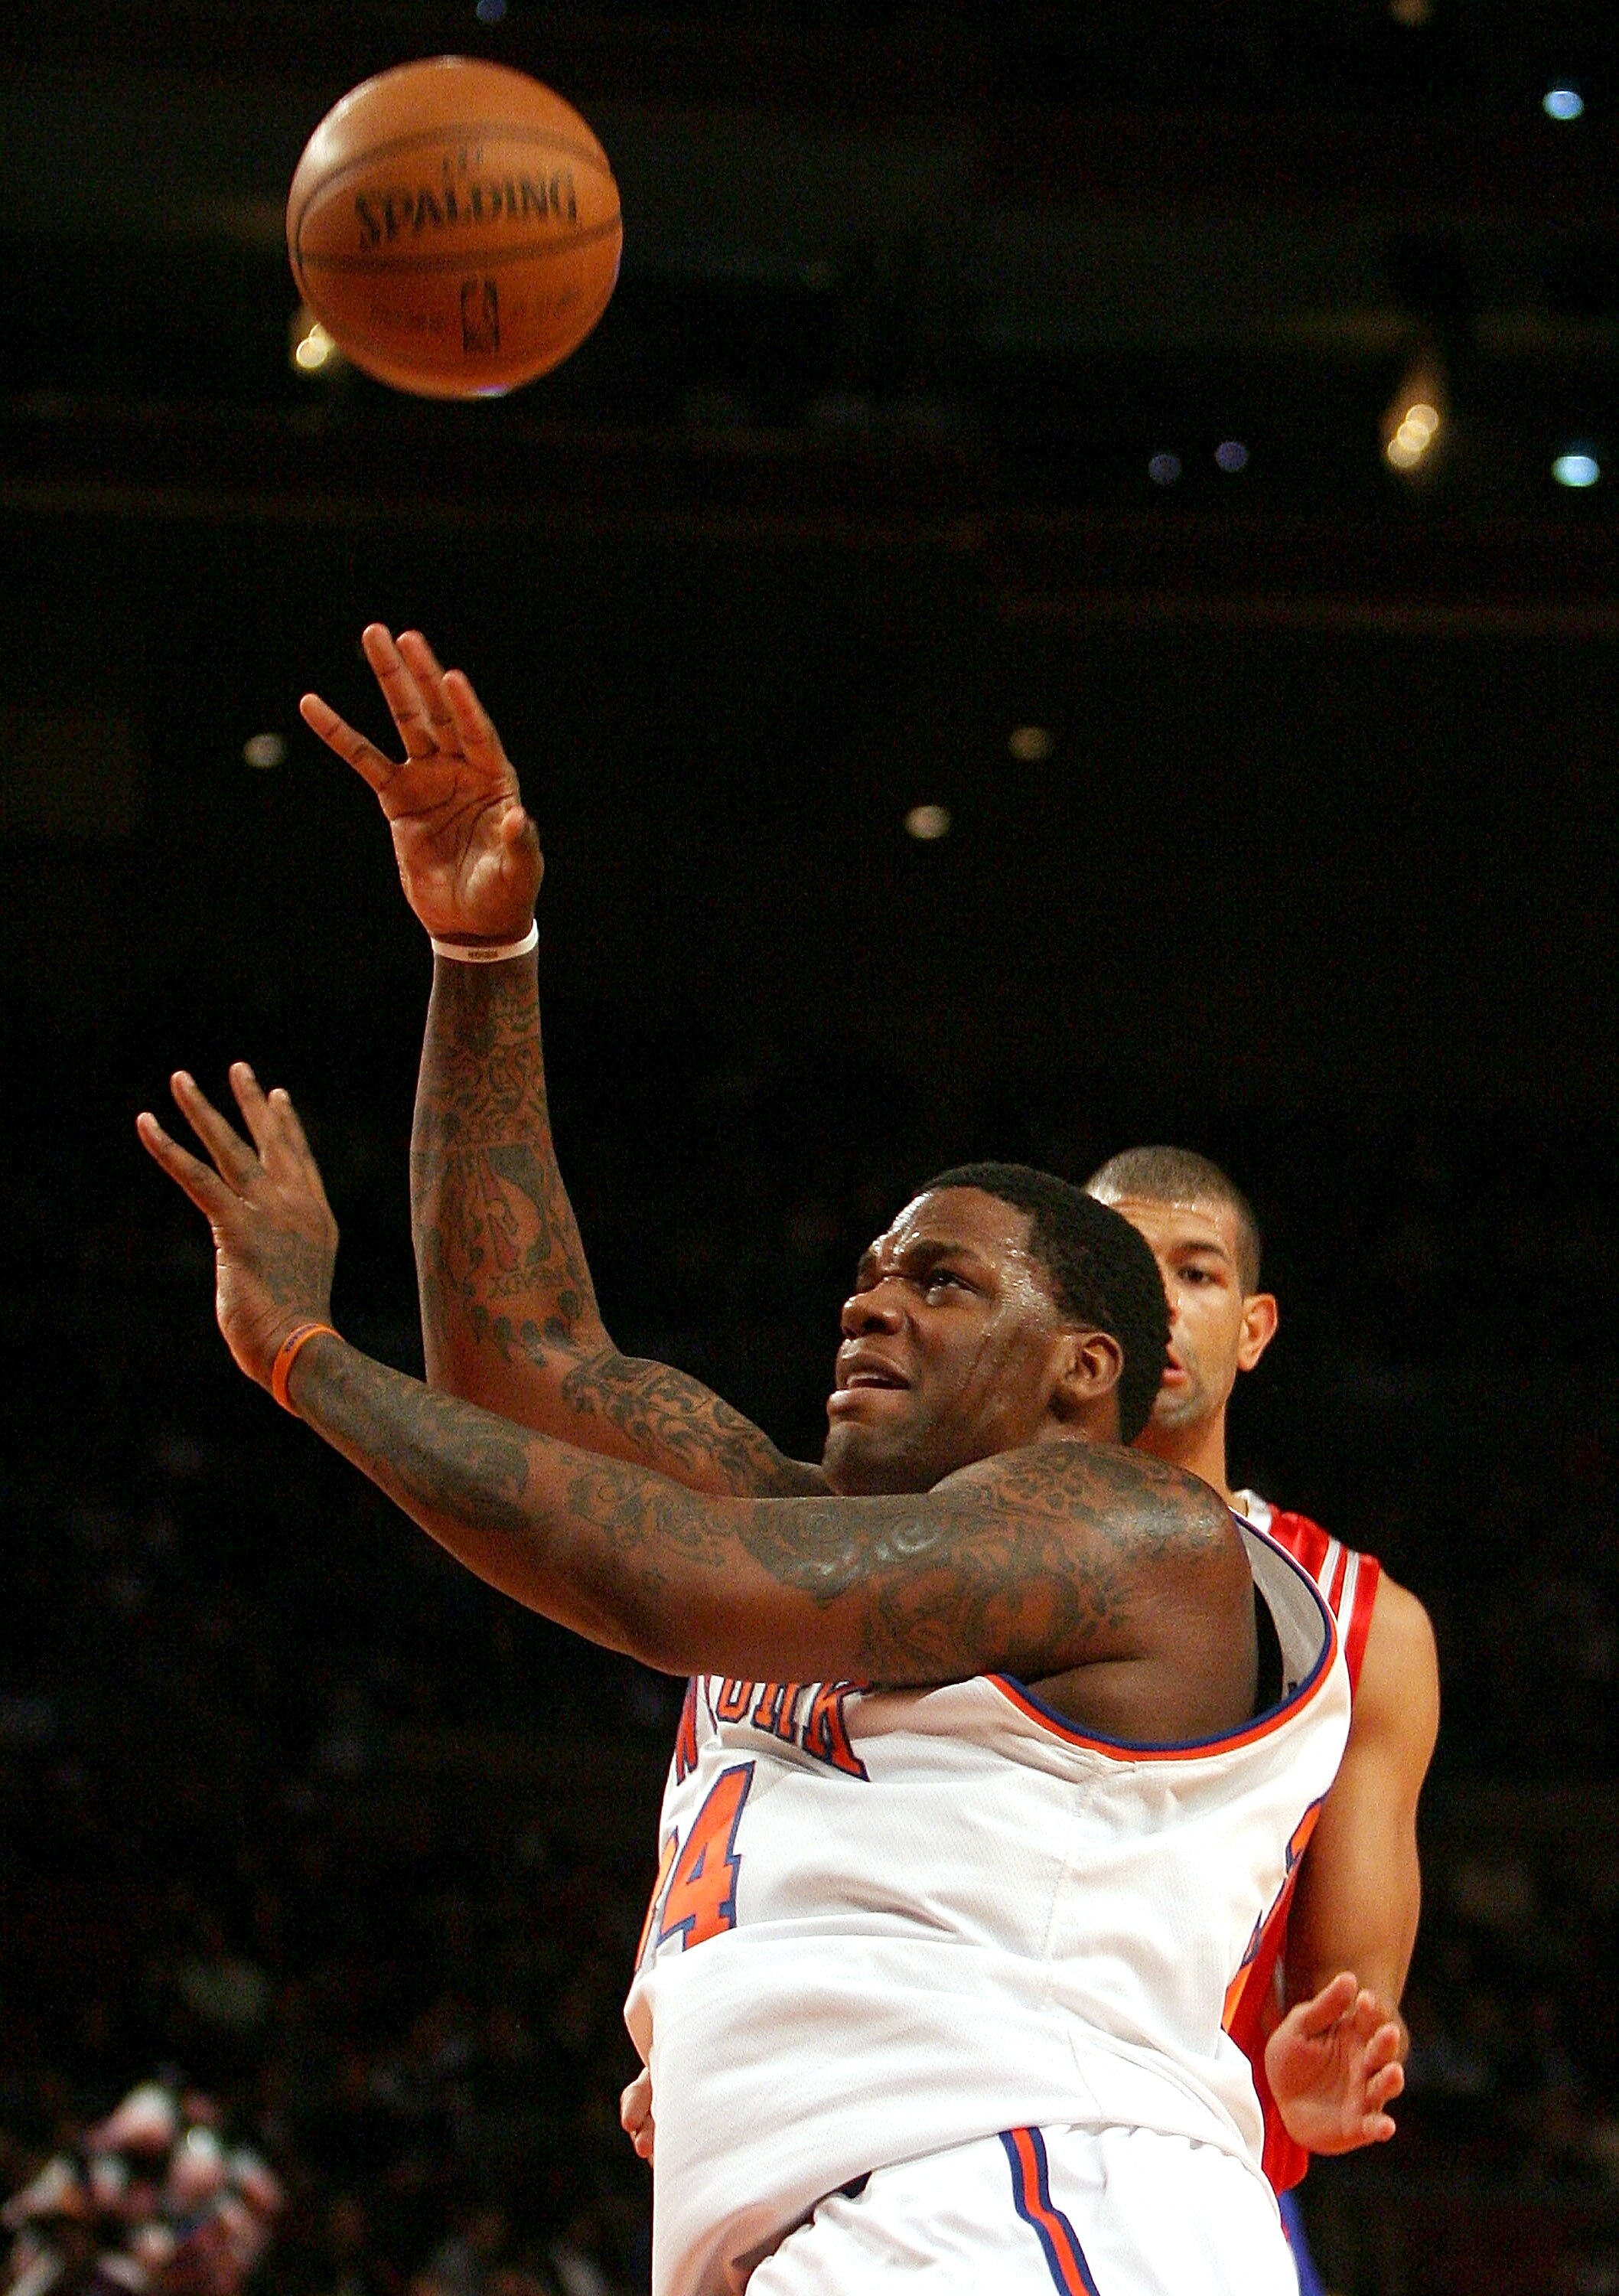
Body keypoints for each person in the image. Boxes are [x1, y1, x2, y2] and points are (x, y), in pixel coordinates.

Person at [137, 627, 1371, 2296]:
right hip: (839, 2230)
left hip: (1029, 2203)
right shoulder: (810, 1525)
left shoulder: (1129, 1528)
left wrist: (302, 1358)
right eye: (870, 1269)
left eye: (941, 1281)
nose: (874, 1300)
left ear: (1089, 1371)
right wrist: (481, 945)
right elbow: (526, 1365)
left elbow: (665, 1582)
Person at [1086, 1150, 1440, 2230]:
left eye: (1196, 1274)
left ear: (1254, 1328)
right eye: (1122, 1271)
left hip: (1190, 2184)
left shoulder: (1364, 1628)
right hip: (928, 2157)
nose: (1161, 1307)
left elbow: (1343, 2004)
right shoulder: (933, 1553)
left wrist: (1317, 2081)